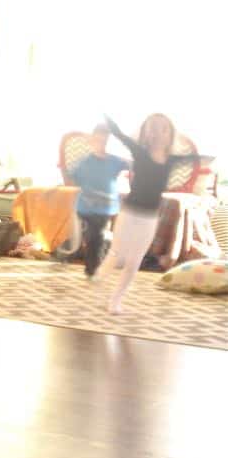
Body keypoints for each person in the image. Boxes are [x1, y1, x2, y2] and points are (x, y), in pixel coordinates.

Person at [94, 114, 204, 314]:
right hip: (129, 212)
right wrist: (106, 118)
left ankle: (116, 300)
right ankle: (101, 277)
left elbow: (199, 158)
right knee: (117, 254)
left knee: (134, 260)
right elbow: (119, 134)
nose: (157, 133)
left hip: (149, 217)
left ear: (170, 134)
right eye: (152, 128)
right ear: (145, 133)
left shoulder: (172, 160)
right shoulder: (140, 152)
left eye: (163, 129)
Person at [70, 124, 126, 276]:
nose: (102, 143)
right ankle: (87, 265)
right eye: (98, 140)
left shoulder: (116, 161)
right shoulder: (85, 162)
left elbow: (132, 166)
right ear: (92, 141)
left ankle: (91, 267)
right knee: (90, 235)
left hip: (105, 207)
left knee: (96, 235)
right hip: (85, 207)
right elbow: (75, 177)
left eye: (105, 140)